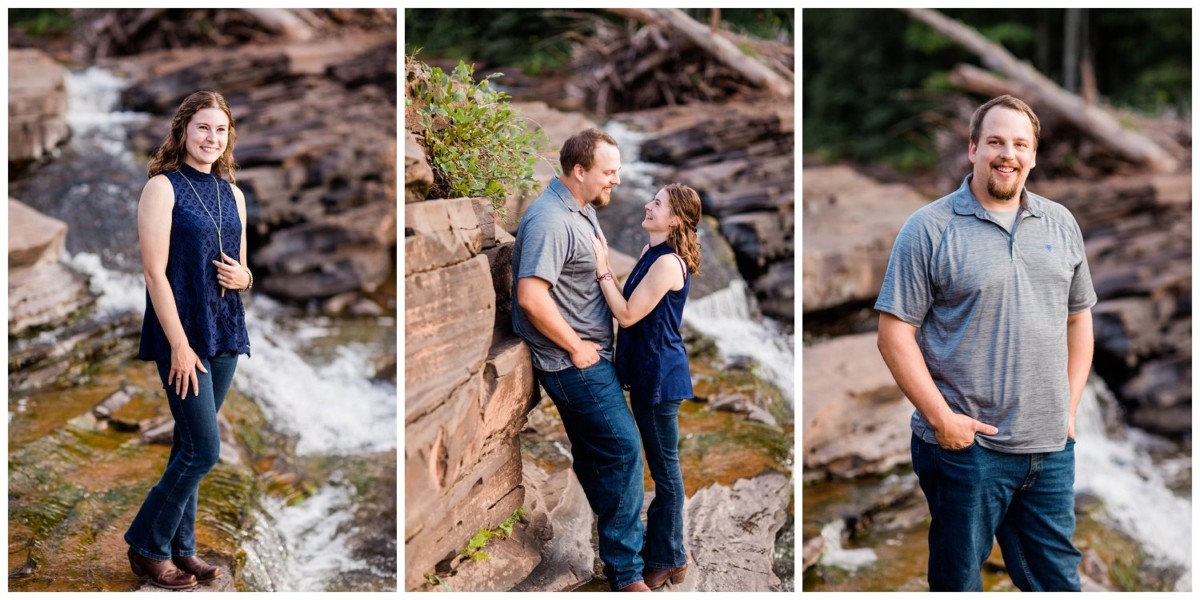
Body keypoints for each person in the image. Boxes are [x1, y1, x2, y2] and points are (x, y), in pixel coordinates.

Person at [875, 95, 1096, 592]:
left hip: (1051, 448)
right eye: (995, 141)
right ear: (973, 149)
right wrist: (942, 421)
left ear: (1034, 155)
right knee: (958, 583)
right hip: (968, 449)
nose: (1007, 154)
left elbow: (1079, 320)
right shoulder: (928, 229)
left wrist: (1070, 408)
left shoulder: (1061, 223)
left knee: (1058, 582)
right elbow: (893, 335)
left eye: (1020, 144)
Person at [511, 128, 650, 592]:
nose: (615, 181)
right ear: (579, 171)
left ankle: (617, 549)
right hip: (574, 365)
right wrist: (575, 346)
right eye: (608, 173)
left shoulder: (580, 208)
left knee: (597, 454)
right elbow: (531, 296)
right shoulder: (550, 220)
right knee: (625, 449)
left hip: (589, 358)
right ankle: (628, 575)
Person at [125, 90, 253, 590]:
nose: (211, 138)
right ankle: (147, 546)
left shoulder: (234, 193)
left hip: (225, 329)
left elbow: (243, 267)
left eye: (220, 130)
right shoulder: (163, 188)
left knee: (187, 443)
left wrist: (246, 279)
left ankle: (184, 549)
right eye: (203, 128)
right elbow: (154, 275)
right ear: (183, 131)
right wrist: (178, 345)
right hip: (182, 333)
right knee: (204, 450)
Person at [591, 183, 702, 590]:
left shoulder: (669, 264)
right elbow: (625, 299)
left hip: (660, 378)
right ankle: (664, 552)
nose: (647, 205)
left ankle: (669, 558)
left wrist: (602, 263)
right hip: (645, 372)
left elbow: (625, 314)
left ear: (675, 219)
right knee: (661, 467)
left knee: (665, 471)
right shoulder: (649, 253)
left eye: (657, 203)